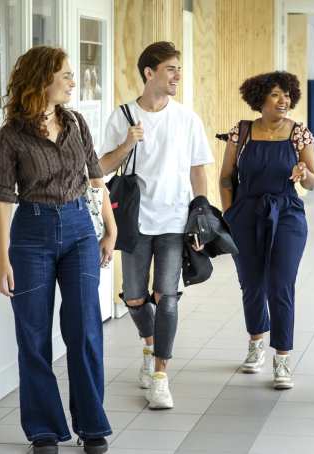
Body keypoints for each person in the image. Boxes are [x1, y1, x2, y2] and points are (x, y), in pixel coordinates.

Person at [0, 46, 116, 454]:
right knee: (33, 336)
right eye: (65, 74)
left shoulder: (77, 122)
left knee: (84, 331)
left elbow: (96, 178)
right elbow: (3, 201)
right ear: (43, 79)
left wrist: (110, 230)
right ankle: (44, 431)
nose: (72, 81)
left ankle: (92, 425)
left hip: (80, 229)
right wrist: (2, 259)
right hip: (31, 236)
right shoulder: (10, 136)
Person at [99, 41, 213, 409]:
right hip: (134, 221)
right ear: (149, 73)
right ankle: (149, 347)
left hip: (175, 220)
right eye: (170, 69)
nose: (177, 75)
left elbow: (198, 168)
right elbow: (101, 168)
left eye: (179, 68)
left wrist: (201, 212)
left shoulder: (187, 118)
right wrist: (127, 145)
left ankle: (161, 375)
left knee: (167, 298)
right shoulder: (124, 116)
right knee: (134, 297)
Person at [219, 71, 314, 389]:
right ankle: (255, 343)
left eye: (287, 94)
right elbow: (225, 176)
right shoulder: (243, 131)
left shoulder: (299, 133)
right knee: (251, 283)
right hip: (245, 214)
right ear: (259, 98)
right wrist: (228, 213)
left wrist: (304, 172)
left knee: (281, 284)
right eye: (276, 94)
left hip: (287, 215)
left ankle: (283, 358)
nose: (284, 100)